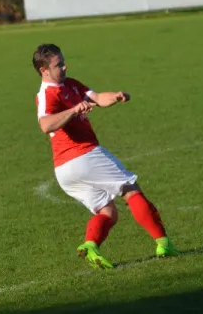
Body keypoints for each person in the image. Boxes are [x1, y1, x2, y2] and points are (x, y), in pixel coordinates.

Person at [32, 43, 178, 270]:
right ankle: (163, 243)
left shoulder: (69, 84)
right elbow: (45, 124)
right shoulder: (47, 94)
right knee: (131, 190)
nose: (64, 66)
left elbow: (98, 98)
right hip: (83, 155)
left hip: (66, 170)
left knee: (108, 212)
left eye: (63, 61)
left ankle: (91, 245)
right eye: (58, 64)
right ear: (44, 71)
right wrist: (73, 110)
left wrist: (116, 96)